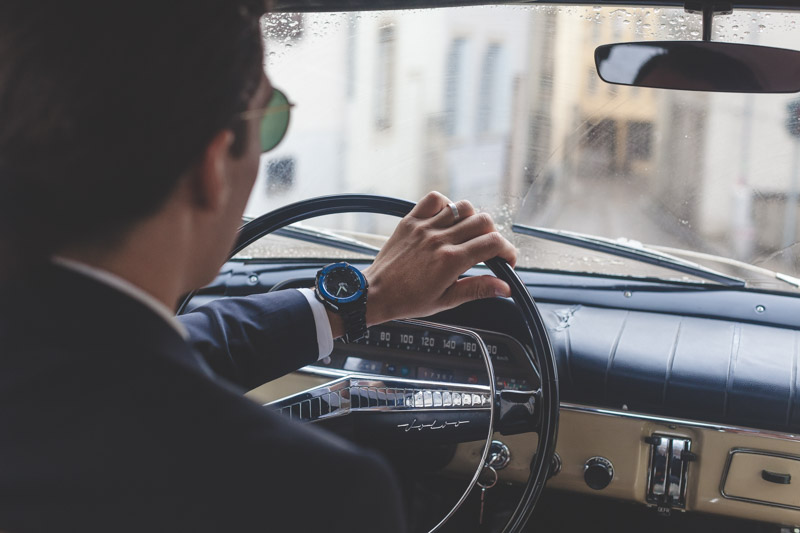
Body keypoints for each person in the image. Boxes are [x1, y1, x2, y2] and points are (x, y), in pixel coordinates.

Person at [0, 1, 517, 531]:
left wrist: (359, 299)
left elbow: (132, 357)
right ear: (213, 169)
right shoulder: (318, 493)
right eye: (268, 118)